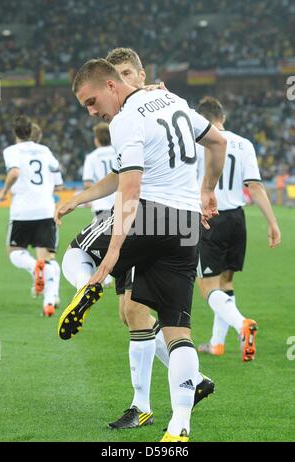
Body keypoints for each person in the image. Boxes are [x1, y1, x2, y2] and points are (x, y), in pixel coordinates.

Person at [55, 58, 227, 442]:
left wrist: (112, 256)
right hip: (185, 224)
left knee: (75, 255)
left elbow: (129, 191)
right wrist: (208, 189)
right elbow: (218, 141)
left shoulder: (125, 120)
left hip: (149, 214)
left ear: (112, 86)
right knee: (177, 328)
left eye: (91, 101)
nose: (92, 112)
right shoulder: (174, 101)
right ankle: (180, 427)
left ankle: (86, 286)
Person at [104, 47, 214, 430]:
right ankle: (190, 384)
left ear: (139, 73)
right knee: (130, 313)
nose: (120, 83)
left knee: (138, 313)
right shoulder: (137, 112)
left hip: (151, 218)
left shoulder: (143, 109)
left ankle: (144, 404)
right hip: (161, 219)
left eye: (126, 73)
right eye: (114, 76)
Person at [195, 97, 281, 361]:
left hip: (209, 218)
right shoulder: (244, 144)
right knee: (226, 282)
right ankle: (216, 343)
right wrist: (272, 222)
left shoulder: (198, 141)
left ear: (201, 119)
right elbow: (254, 186)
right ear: (223, 117)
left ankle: (241, 324)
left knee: (207, 287)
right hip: (236, 219)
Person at [0, 116, 62, 317]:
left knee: (14, 251)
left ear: (15, 133)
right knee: (49, 256)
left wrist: (4, 191)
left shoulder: (11, 150)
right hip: (45, 209)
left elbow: (15, 172)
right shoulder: (44, 150)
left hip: (22, 210)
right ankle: (50, 301)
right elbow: (57, 171)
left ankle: (35, 268)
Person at [82, 122, 115, 288]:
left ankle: (106, 275)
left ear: (96, 139)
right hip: (121, 203)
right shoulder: (119, 152)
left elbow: (88, 183)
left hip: (101, 203)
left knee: (102, 241)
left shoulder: (92, 157)